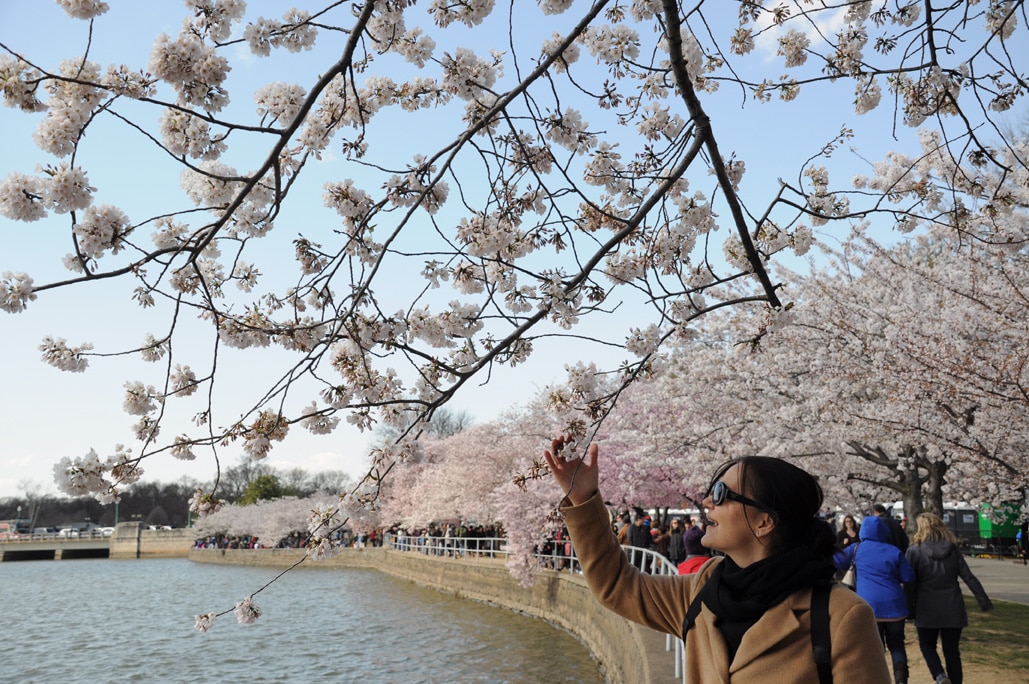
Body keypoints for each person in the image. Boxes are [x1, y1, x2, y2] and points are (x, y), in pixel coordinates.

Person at [544, 438, 890, 683]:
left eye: (722, 494)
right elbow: (617, 586)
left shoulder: (840, 615)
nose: (707, 501)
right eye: (711, 490)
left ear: (764, 521)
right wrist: (583, 498)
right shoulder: (703, 589)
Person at [906, 512, 993, 684]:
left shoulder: (914, 551)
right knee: (952, 651)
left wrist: (909, 608)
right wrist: (984, 601)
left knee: (927, 645)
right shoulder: (952, 549)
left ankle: (939, 676)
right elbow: (968, 576)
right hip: (952, 605)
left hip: (926, 605)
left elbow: (909, 582)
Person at [834, 514, 916, 683]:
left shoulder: (857, 549)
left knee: (873, 648)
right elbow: (908, 577)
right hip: (895, 607)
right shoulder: (894, 551)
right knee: (897, 646)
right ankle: (901, 679)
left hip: (869, 606)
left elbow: (836, 562)